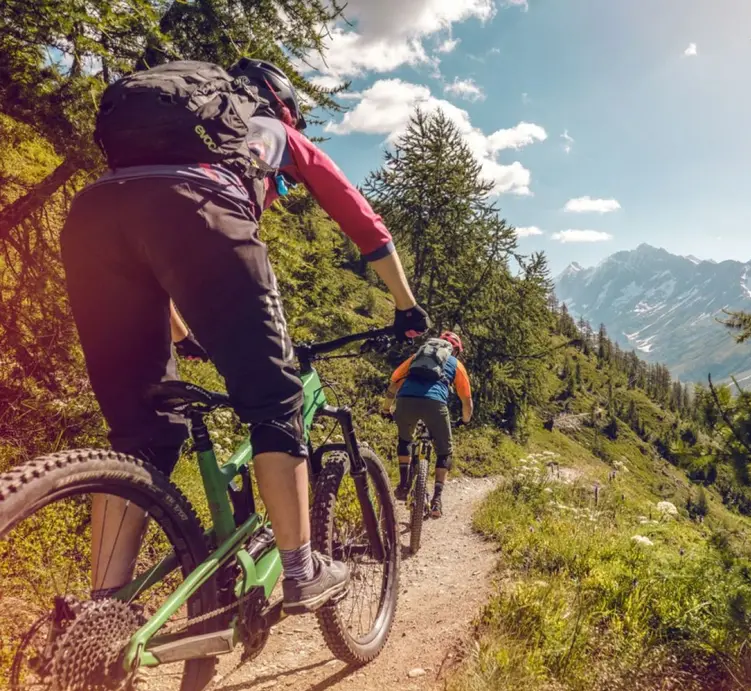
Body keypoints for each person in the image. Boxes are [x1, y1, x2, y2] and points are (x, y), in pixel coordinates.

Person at [60, 57, 429, 615]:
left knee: (142, 432)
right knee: (274, 399)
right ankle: (302, 570)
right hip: (200, 212)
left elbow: (149, 253)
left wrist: (183, 336)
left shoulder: (164, 141)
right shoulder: (277, 133)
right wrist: (406, 306)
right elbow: (362, 221)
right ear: (280, 106)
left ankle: (101, 613)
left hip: (91, 217)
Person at [381, 331, 473, 518]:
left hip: (406, 401)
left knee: (405, 440)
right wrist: (465, 420)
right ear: (455, 351)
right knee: (444, 451)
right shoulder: (456, 365)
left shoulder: (416, 358)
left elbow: (393, 383)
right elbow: (467, 402)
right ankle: (437, 500)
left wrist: (386, 409)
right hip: (435, 405)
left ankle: (404, 485)